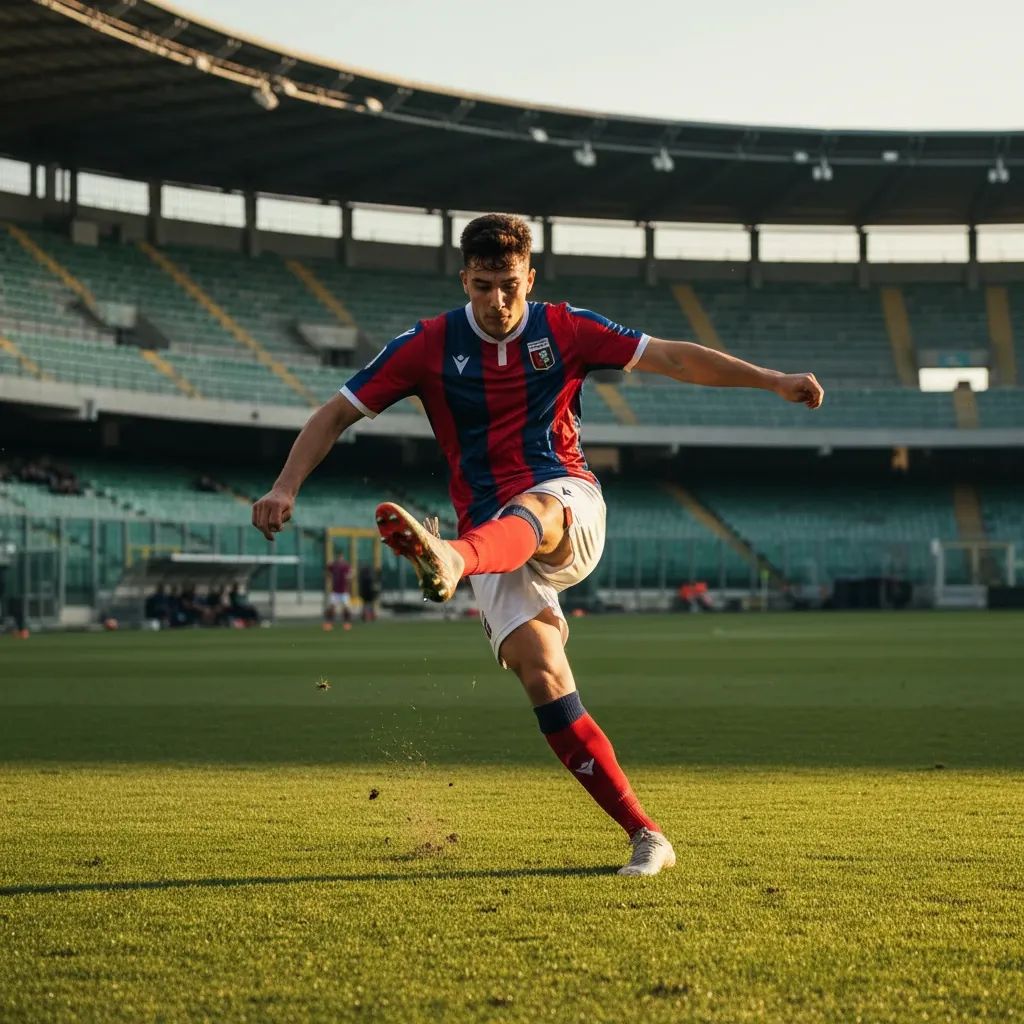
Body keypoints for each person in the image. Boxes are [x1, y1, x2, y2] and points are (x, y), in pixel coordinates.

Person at [252, 213, 824, 876]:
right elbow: (335, 413)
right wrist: (285, 487)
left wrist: (771, 380)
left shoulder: (565, 328)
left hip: (565, 502)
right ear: (464, 279)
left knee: (536, 507)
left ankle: (451, 558)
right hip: (488, 530)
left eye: (509, 285)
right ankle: (647, 835)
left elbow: (671, 357)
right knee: (542, 672)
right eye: (482, 286)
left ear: (531, 278)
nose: (496, 300)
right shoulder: (427, 344)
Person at [324, 554, 353, 632]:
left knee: (346, 608)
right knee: (332, 607)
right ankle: (329, 623)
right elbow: (328, 570)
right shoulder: (334, 566)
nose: (340, 560)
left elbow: (351, 573)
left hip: (344, 591)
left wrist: (349, 576)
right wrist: (328, 565)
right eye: (339, 558)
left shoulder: (346, 567)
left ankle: (347, 623)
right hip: (335, 591)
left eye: (341, 559)